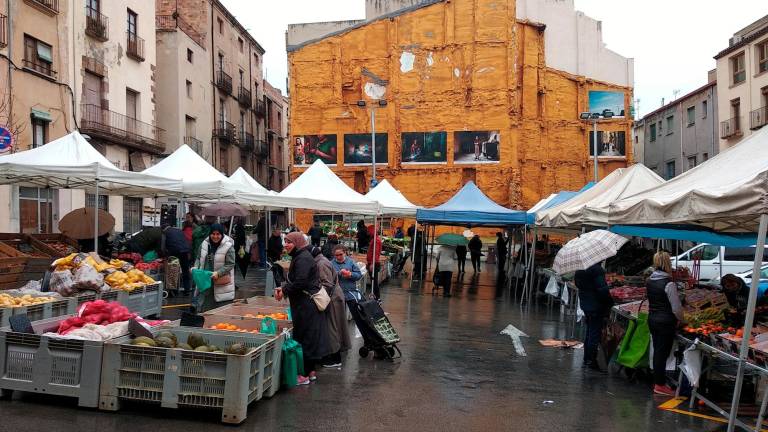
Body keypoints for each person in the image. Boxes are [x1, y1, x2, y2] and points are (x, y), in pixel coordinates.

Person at [274, 232, 331, 385]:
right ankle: (310, 372)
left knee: (305, 337)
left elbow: (301, 282)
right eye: (285, 241)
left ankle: (304, 375)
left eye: (289, 242)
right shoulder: (300, 256)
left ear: (298, 243)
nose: (286, 244)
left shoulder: (303, 258)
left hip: (306, 306)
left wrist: (284, 290)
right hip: (305, 304)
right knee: (308, 337)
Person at [646, 252, 685, 396]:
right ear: (667, 263)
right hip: (666, 322)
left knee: (658, 351)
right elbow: (676, 308)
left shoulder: (650, 280)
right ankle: (660, 384)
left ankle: (658, 380)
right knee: (662, 353)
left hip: (653, 319)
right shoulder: (669, 283)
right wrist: (683, 319)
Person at [312, 246, 350, 368]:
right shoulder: (323, 261)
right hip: (335, 296)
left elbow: (327, 284)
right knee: (337, 326)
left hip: (332, 298)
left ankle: (334, 358)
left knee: (332, 327)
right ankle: (335, 354)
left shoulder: (321, 264)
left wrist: (319, 298)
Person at [574, 262, 613, 372]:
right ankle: (591, 360)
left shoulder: (580, 269)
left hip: (586, 305)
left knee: (590, 332)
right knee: (594, 333)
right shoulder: (597, 270)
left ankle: (587, 358)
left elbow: (578, 284)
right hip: (596, 305)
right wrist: (610, 302)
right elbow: (603, 289)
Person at [193, 224, 236, 313]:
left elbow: (230, 264)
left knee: (221, 311)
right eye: (213, 234)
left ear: (222, 234)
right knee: (205, 310)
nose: (215, 236)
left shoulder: (228, 246)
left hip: (221, 282)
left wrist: (218, 273)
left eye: (218, 234)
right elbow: (198, 257)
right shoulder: (204, 244)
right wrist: (195, 268)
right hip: (206, 280)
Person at [161, 223, 192, 294]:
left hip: (174, 252)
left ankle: (173, 291)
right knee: (185, 270)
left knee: (173, 271)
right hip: (184, 251)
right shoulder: (179, 230)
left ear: (163, 229)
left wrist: (164, 255)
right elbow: (185, 240)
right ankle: (187, 289)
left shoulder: (165, 233)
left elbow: (163, 246)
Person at [366, 225, 383, 300]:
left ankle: (377, 297)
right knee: (373, 281)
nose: (368, 233)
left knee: (374, 281)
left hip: (374, 263)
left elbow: (375, 253)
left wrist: (372, 263)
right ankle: (376, 297)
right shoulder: (375, 239)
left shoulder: (376, 240)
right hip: (373, 262)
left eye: (369, 231)